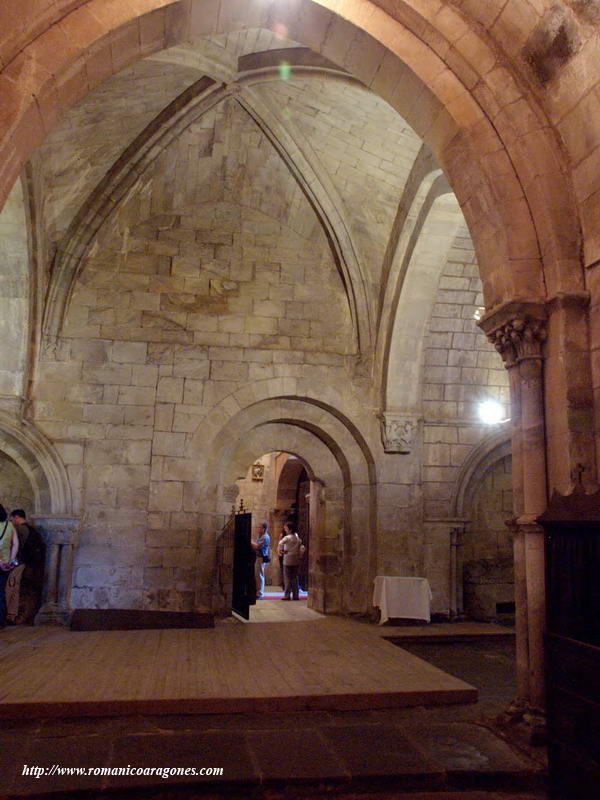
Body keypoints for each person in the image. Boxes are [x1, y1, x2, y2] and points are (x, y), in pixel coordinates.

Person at [10, 510, 45, 624]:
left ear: (17, 517)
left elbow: (17, 547)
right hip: (33, 565)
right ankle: (24, 616)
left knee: (16, 590)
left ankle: (16, 616)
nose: (12, 522)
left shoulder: (20, 529)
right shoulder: (32, 530)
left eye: (12, 519)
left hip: (22, 564)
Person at [0, 504, 19, 629]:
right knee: (1, 591)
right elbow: (16, 543)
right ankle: (1, 621)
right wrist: (11, 560)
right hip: (5, 565)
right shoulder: (9, 525)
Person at [278, 522, 305, 601]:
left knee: (287, 578)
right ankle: (296, 595)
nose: (285, 530)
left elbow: (280, 543)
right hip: (296, 559)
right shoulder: (297, 538)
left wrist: (281, 551)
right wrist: (300, 555)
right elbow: (302, 547)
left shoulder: (287, 537)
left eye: (286, 528)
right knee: (294, 578)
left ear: (290, 529)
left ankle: (287, 595)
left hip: (287, 559)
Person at [255, 522, 270, 598]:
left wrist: (250, 542)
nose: (258, 529)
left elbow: (257, 546)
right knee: (258, 575)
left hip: (261, 557)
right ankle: (258, 591)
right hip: (259, 557)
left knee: (260, 575)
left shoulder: (265, 537)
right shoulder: (261, 536)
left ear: (263, 529)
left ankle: (260, 593)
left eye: (259, 527)